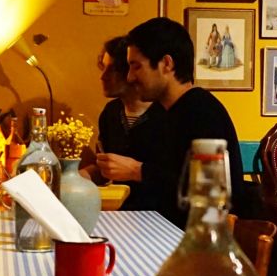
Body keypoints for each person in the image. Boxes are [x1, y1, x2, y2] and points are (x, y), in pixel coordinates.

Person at [100, 17, 251, 226]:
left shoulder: (203, 111)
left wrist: (138, 171)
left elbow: (211, 192)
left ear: (166, 64)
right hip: (156, 228)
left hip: (194, 236)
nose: (130, 77)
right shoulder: (162, 113)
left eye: (136, 67)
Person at [84, 36, 166, 211]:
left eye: (112, 69)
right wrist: (77, 177)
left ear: (131, 71)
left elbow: (177, 177)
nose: (102, 76)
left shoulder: (166, 113)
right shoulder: (111, 112)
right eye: (103, 67)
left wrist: (137, 171)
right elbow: (106, 168)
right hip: (120, 211)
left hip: (160, 214)